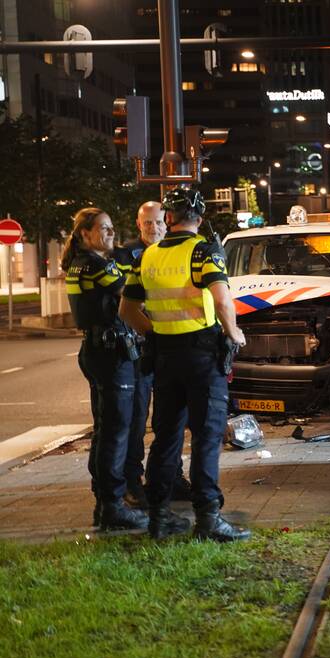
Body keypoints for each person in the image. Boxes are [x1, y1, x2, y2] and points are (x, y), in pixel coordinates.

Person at [120, 188, 251, 542]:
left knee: (166, 438)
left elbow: (127, 311)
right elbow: (223, 301)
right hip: (203, 356)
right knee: (207, 438)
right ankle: (208, 519)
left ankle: (159, 518)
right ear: (201, 218)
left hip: (164, 357)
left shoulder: (145, 257)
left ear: (169, 218)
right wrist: (234, 334)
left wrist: (158, 332)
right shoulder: (205, 251)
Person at [63, 208, 148, 531]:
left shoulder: (80, 263)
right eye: (103, 229)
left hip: (98, 349)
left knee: (105, 429)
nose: (111, 233)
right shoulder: (97, 266)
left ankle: (104, 502)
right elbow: (133, 293)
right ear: (85, 234)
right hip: (111, 353)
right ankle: (112, 507)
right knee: (116, 430)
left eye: (112, 228)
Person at [114, 201, 191, 507]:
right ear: (139, 224)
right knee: (135, 418)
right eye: (148, 223)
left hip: (171, 347)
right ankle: (132, 482)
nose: (155, 228)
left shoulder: (175, 250)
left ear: (168, 222)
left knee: (170, 418)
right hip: (139, 348)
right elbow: (125, 304)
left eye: (160, 222)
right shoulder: (124, 256)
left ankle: (172, 477)